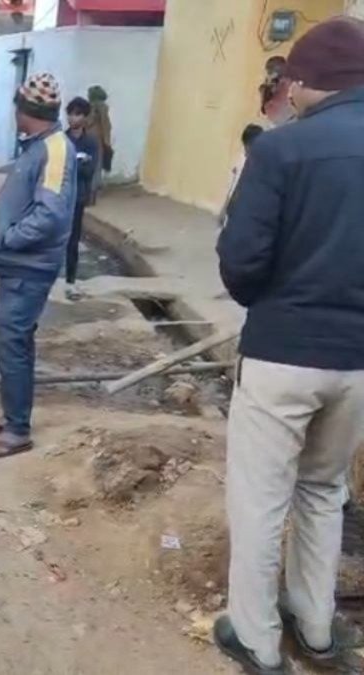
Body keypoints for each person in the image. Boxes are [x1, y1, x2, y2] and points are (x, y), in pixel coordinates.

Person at [215, 18, 364, 675]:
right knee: (324, 490)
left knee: (261, 498)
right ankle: (316, 626)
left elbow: (241, 263)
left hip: (283, 353)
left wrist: (272, 298)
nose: (288, 93)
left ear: (306, 83)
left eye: (291, 82)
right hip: (357, 361)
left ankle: (256, 638)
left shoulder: (281, 150)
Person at [0, 73, 76, 459]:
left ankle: (17, 430)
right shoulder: (38, 147)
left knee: (11, 343)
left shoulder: (55, 149)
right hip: (18, 266)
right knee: (15, 343)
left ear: (24, 111)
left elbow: (50, 214)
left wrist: (8, 238)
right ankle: (12, 414)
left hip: (28, 266)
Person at [62, 97, 99, 299]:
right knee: (52, 237)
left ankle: (70, 281)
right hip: (60, 196)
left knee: (73, 240)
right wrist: (79, 162)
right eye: (70, 113)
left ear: (85, 118)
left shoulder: (90, 142)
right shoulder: (62, 139)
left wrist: (74, 164)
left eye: (77, 114)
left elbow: (89, 171)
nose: (72, 118)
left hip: (77, 198)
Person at [218, 124, 264, 229]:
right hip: (236, 210)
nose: (246, 150)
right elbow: (233, 186)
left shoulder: (262, 164)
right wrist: (224, 208)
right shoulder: (241, 160)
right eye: (246, 146)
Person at [85, 85, 113, 203]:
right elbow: (105, 124)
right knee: (97, 165)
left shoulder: (87, 108)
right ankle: (93, 193)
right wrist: (107, 142)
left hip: (86, 137)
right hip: (97, 138)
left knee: (88, 164)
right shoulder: (102, 107)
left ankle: (87, 191)